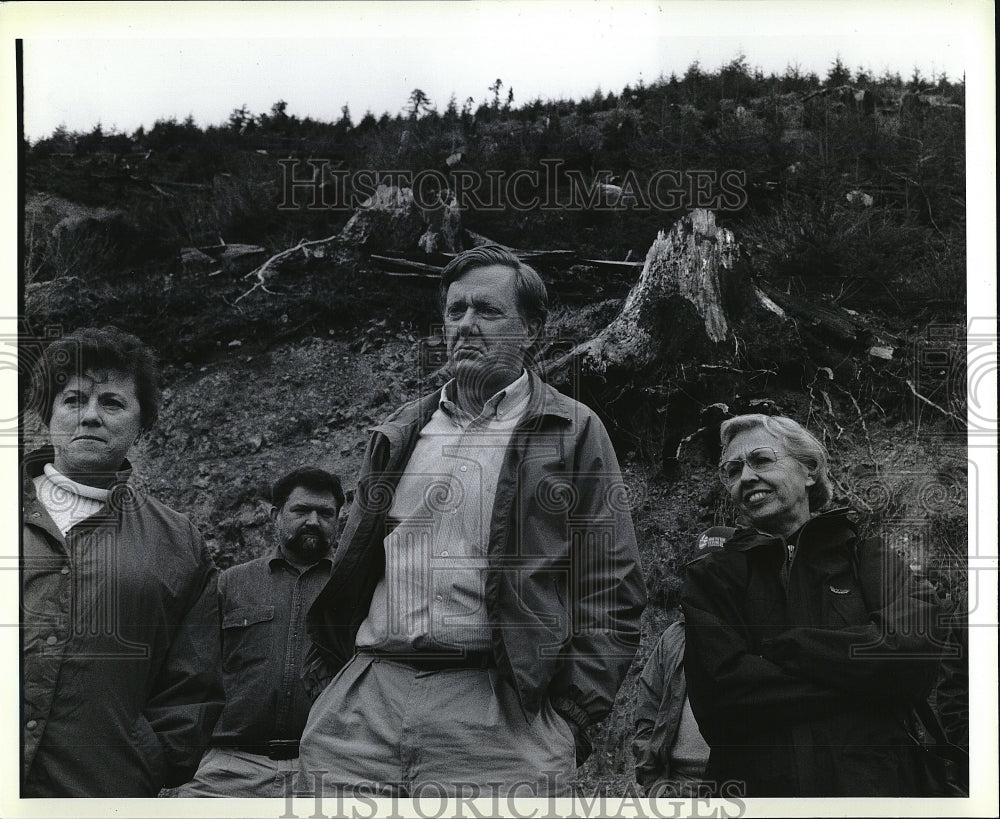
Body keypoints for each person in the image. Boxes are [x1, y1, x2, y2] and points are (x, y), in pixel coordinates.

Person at [300, 245, 646, 798]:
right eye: (455, 311)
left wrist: (573, 716)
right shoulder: (402, 430)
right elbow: (355, 566)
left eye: (487, 311)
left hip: (498, 714)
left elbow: (611, 585)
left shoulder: (572, 430)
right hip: (365, 709)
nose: (466, 325)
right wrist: (334, 685)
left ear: (531, 329)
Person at [681, 413, 948, 797]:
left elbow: (914, 660)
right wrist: (866, 679)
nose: (746, 477)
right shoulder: (712, 577)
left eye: (761, 459)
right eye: (733, 469)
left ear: (809, 471)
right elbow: (722, 701)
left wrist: (783, 648)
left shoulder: (867, 556)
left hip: (875, 789)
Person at [21, 326, 224, 797]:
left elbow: (193, 685)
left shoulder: (177, 542)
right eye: (73, 400)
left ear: (141, 423)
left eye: (112, 403)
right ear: (48, 413)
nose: (90, 416)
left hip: (100, 790)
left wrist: (147, 760)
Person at [173, 467, 345, 797]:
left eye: (325, 513)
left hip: (325, 771)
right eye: (300, 510)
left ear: (339, 519)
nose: (313, 521)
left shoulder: (355, 586)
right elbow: (193, 671)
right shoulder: (232, 583)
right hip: (231, 768)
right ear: (275, 515)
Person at [632, 528, 729, 797]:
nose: (711, 579)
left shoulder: (758, 634)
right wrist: (652, 779)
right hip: (673, 785)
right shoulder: (674, 637)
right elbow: (646, 712)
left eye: (721, 569)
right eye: (703, 570)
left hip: (734, 787)